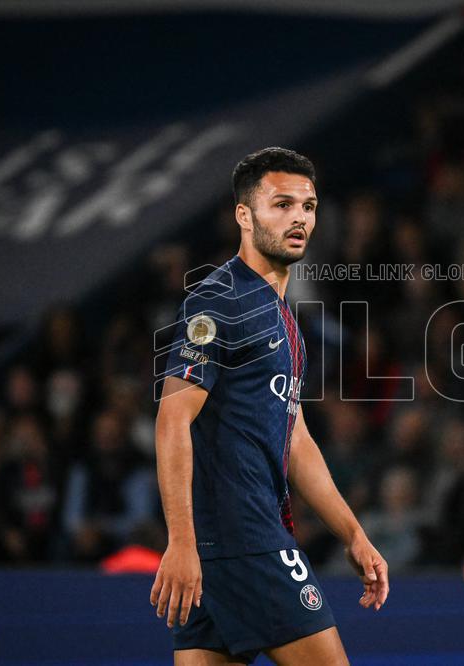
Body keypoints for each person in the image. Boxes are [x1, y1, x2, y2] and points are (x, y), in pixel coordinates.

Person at [150, 147, 389, 665]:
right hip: (245, 538)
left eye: (309, 206)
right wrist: (181, 542)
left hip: (225, 544)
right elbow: (172, 420)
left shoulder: (284, 318)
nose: (299, 217)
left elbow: (295, 439)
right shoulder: (219, 300)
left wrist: (352, 534)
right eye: (282, 204)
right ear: (244, 214)